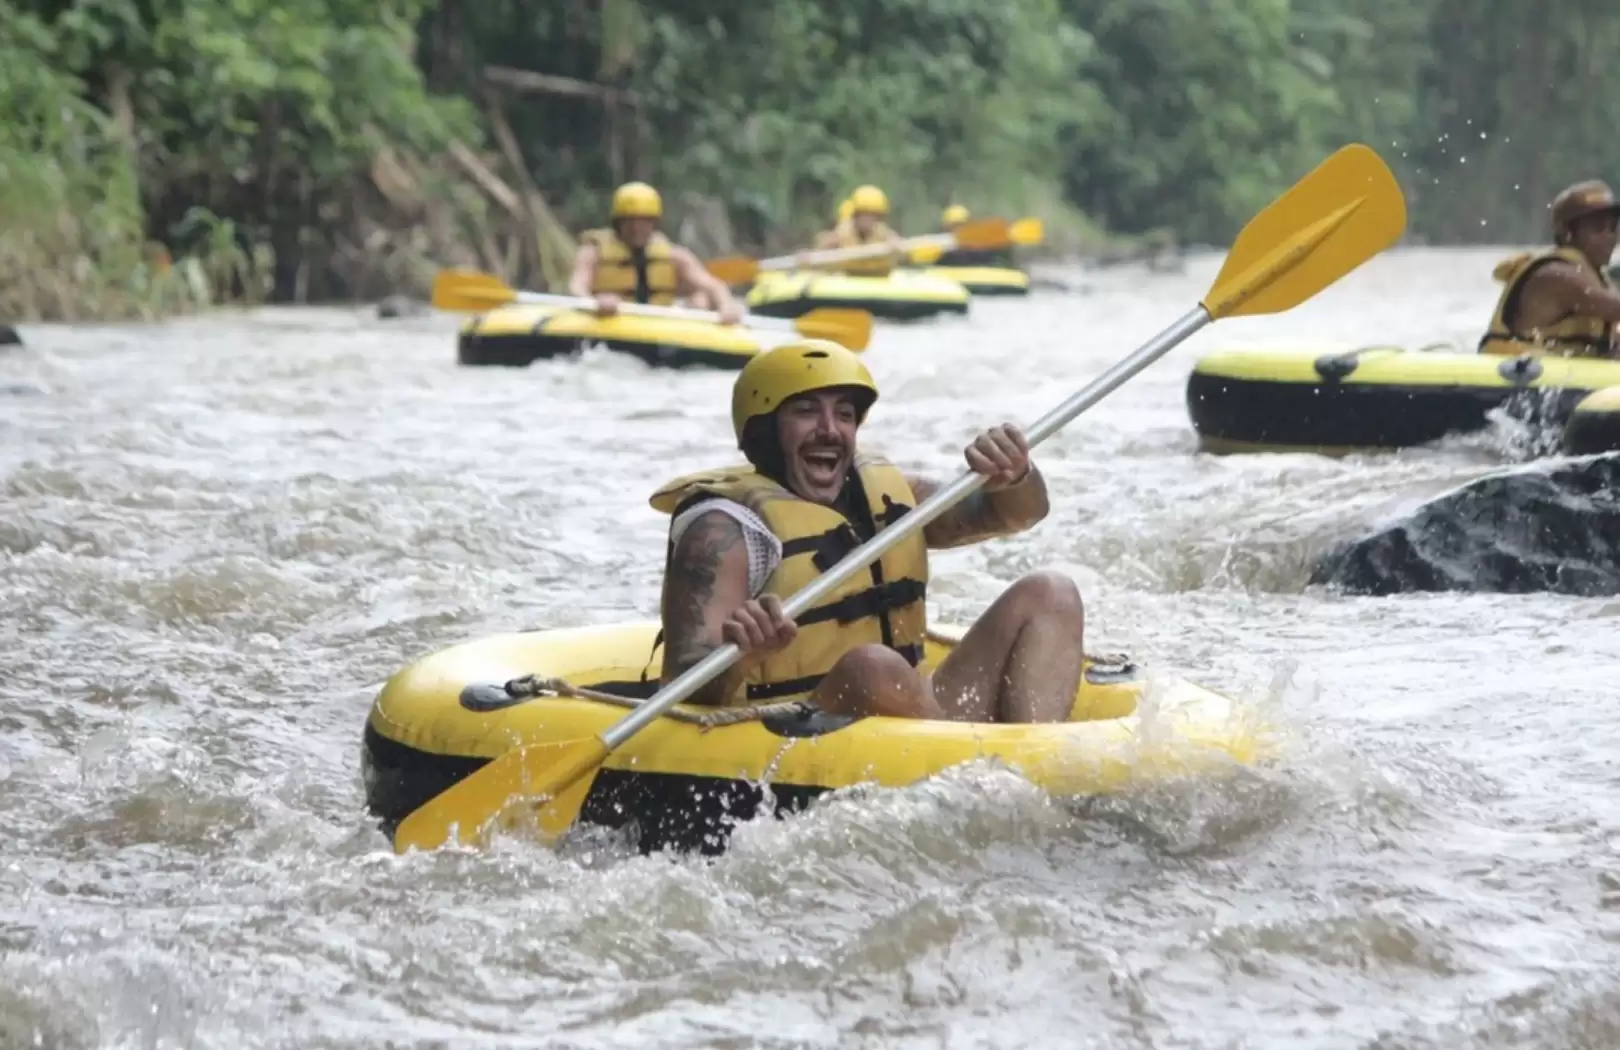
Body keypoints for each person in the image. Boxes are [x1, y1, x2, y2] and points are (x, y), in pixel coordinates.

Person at [648, 339, 1087, 724]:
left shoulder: (889, 494)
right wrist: (745, 655)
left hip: (914, 712)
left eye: (843, 414)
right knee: (872, 668)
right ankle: (981, 773)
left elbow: (1013, 514)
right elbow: (684, 684)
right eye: (805, 412)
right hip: (796, 724)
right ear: (763, 431)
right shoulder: (723, 529)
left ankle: (1033, 765)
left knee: (1052, 592)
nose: (830, 430)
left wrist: (1013, 475)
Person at [1479, 180, 1620, 358]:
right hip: (1508, 375)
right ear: (1566, 232)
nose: (1610, 237)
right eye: (1598, 228)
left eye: (1613, 228)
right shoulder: (1556, 276)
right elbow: (1611, 307)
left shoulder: (1600, 280)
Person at [568, 181, 742, 323]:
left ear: (654, 224)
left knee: (700, 300)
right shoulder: (592, 253)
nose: (637, 228)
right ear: (617, 223)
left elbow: (713, 286)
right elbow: (576, 287)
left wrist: (726, 304)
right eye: (629, 221)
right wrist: (595, 302)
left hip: (659, 325)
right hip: (609, 321)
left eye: (644, 221)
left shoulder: (675, 256)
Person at [807, 185, 905, 275]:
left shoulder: (885, 235)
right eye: (863, 214)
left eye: (872, 215)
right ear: (855, 215)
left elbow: (900, 247)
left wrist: (897, 249)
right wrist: (810, 258)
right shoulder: (840, 235)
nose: (867, 220)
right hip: (847, 280)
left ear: (878, 218)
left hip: (877, 281)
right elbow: (818, 252)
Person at [933, 203, 1012, 268]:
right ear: (946, 227)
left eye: (961, 225)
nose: (958, 229)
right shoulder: (940, 247)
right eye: (954, 226)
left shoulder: (980, 246)